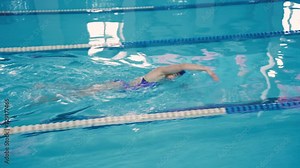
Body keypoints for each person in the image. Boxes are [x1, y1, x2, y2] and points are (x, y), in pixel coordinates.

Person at [80, 63, 219, 95]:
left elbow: (183, 89)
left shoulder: (164, 80)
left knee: (81, 92)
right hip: (118, 86)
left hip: (123, 90)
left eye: (176, 77)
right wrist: (206, 69)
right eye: (174, 74)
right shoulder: (159, 72)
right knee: (81, 94)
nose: (173, 77)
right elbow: (183, 65)